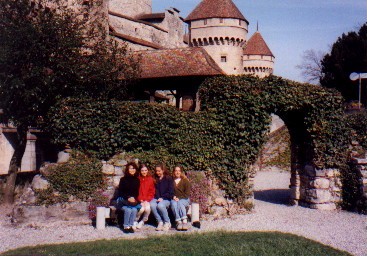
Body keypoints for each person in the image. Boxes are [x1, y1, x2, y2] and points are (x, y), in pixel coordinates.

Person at [117, 162, 140, 233]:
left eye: (134, 168)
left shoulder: (137, 180)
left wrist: (134, 198)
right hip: (122, 199)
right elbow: (120, 192)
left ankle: (130, 226)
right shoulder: (123, 179)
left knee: (133, 210)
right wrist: (128, 198)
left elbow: (136, 193)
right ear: (127, 169)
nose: (132, 170)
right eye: (130, 168)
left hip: (131, 201)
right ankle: (126, 226)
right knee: (129, 209)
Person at [150, 163, 174, 231]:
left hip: (167, 198)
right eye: (156, 171)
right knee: (152, 204)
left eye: (159, 171)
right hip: (158, 198)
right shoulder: (155, 179)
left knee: (160, 205)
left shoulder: (168, 179)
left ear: (163, 170)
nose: (157, 172)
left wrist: (162, 198)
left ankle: (167, 222)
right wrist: (158, 198)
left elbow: (170, 192)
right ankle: (160, 222)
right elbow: (156, 191)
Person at [135, 164, 155, 229]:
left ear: (147, 171)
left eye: (145, 170)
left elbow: (151, 191)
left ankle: (143, 221)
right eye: (142, 170)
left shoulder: (150, 179)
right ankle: (135, 221)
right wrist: (140, 200)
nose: (144, 172)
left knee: (147, 209)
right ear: (140, 171)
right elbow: (136, 191)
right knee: (141, 209)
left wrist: (147, 200)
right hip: (139, 200)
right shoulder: (137, 179)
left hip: (147, 200)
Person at [171, 166, 191, 231]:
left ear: (181, 172)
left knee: (180, 203)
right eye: (176, 170)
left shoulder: (185, 181)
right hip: (174, 199)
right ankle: (178, 221)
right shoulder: (171, 181)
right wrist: (173, 196)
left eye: (179, 171)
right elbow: (169, 191)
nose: (177, 172)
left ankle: (184, 221)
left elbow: (187, 194)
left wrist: (179, 198)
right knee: (173, 204)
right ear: (174, 172)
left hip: (184, 199)